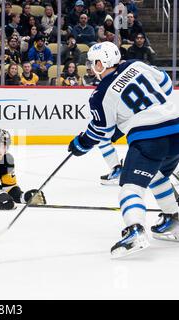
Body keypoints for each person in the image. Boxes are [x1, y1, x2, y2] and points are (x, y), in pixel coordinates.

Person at [67, 42, 178, 258]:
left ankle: (135, 230)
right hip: (176, 128)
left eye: (93, 63)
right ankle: (174, 220)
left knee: (130, 189)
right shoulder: (135, 65)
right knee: (156, 176)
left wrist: (81, 143)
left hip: (149, 139)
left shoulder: (100, 93)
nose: (91, 67)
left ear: (101, 63)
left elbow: (100, 132)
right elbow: (165, 84)